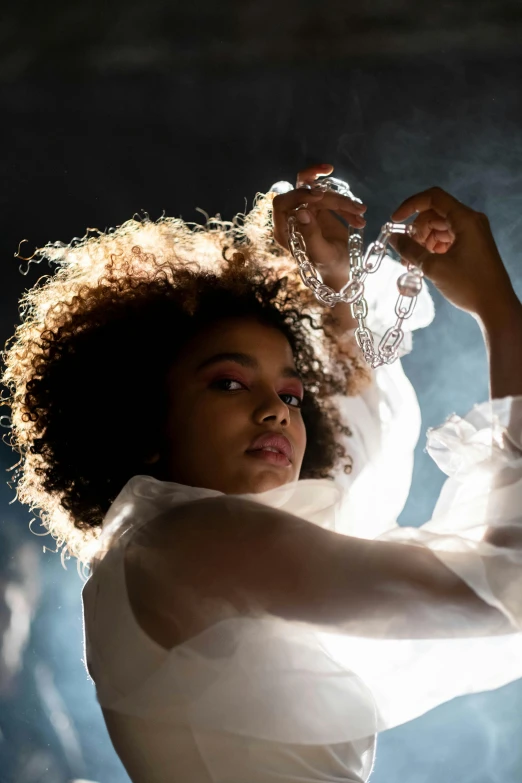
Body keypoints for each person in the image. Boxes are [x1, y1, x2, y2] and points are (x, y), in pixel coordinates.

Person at [2, 162, 522, 783]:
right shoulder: (188, 541)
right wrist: (496, 304)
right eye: (228, 382)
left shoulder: (164, 546)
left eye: (295, 396)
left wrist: (334, 299)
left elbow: (359, 488)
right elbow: (503, 587)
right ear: (144, 421)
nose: (277, 410)